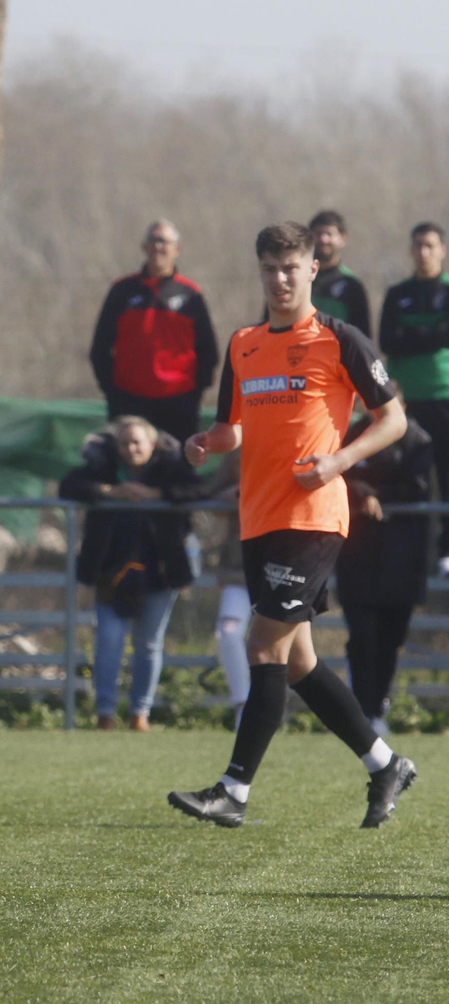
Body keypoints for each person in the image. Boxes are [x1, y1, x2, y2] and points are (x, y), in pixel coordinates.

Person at [168, 220, 415, 830]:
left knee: (262, 644)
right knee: (297, 660)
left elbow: (394, 420)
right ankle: (384, 763)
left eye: (291, 269)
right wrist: (206, 442)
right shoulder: (245, 343)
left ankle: (234, 790)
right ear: (260, 273)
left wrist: (337, 460)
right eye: (270, 270)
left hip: (313, 518)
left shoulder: (340, 340)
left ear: (312, 271)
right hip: (259, 516)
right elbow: (232, 427)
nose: (280, 280)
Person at [59, 416, 207, 731]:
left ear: (151, 444)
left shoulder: (170, 467)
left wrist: (156, 496)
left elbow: (197, 490)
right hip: (110, 573)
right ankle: (106, 713)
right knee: (109, 639)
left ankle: (141, 713)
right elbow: (68, 486)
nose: (131, 448)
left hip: (160, 573)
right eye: (125, 442)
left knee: (149, 643)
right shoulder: (102, 466)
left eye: (137, 442)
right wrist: (111, 491)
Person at [338, 399, 432, 734]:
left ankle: (377, 708)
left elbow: (419, 488)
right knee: (362, 636)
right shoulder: (353, 433)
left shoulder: (416, 439)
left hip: (400, 559)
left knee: (390, 638)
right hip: (357, 555)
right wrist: (356, 490)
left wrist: (375, 493)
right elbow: (336, 474)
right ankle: (360, 711)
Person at [89, 220, 219, 444]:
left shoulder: (190, 295)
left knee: (176, 470)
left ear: (177, 249)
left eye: (164, 242)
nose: (158, 247)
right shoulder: (122, 291)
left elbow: (209, 350)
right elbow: (100, 347)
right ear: (144, 247)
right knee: (129, 468)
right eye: (153, 241)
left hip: (179, 402)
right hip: (128, 401)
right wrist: (111, 391)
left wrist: (195, 393)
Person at [376, 221, 449, 573]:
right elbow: (389, 342)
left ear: (442, 250)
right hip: (405, 402)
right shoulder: (397, 293)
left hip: (443, 395)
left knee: (446, 474)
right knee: (407, 477)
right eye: (418, 244)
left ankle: (446, 552)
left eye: (430, 245)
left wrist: (414, 334)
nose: (423, 251)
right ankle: (409, 552)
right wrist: (431, 332)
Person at [210, 451, 251, 724]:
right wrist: (229, 496)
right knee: (229, 632)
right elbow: (215, 498)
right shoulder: (238, 451)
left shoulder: (300, 440)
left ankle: (277, 708)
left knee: (286, 647)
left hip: (286, 563)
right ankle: (244, 707)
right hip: (240, 567)